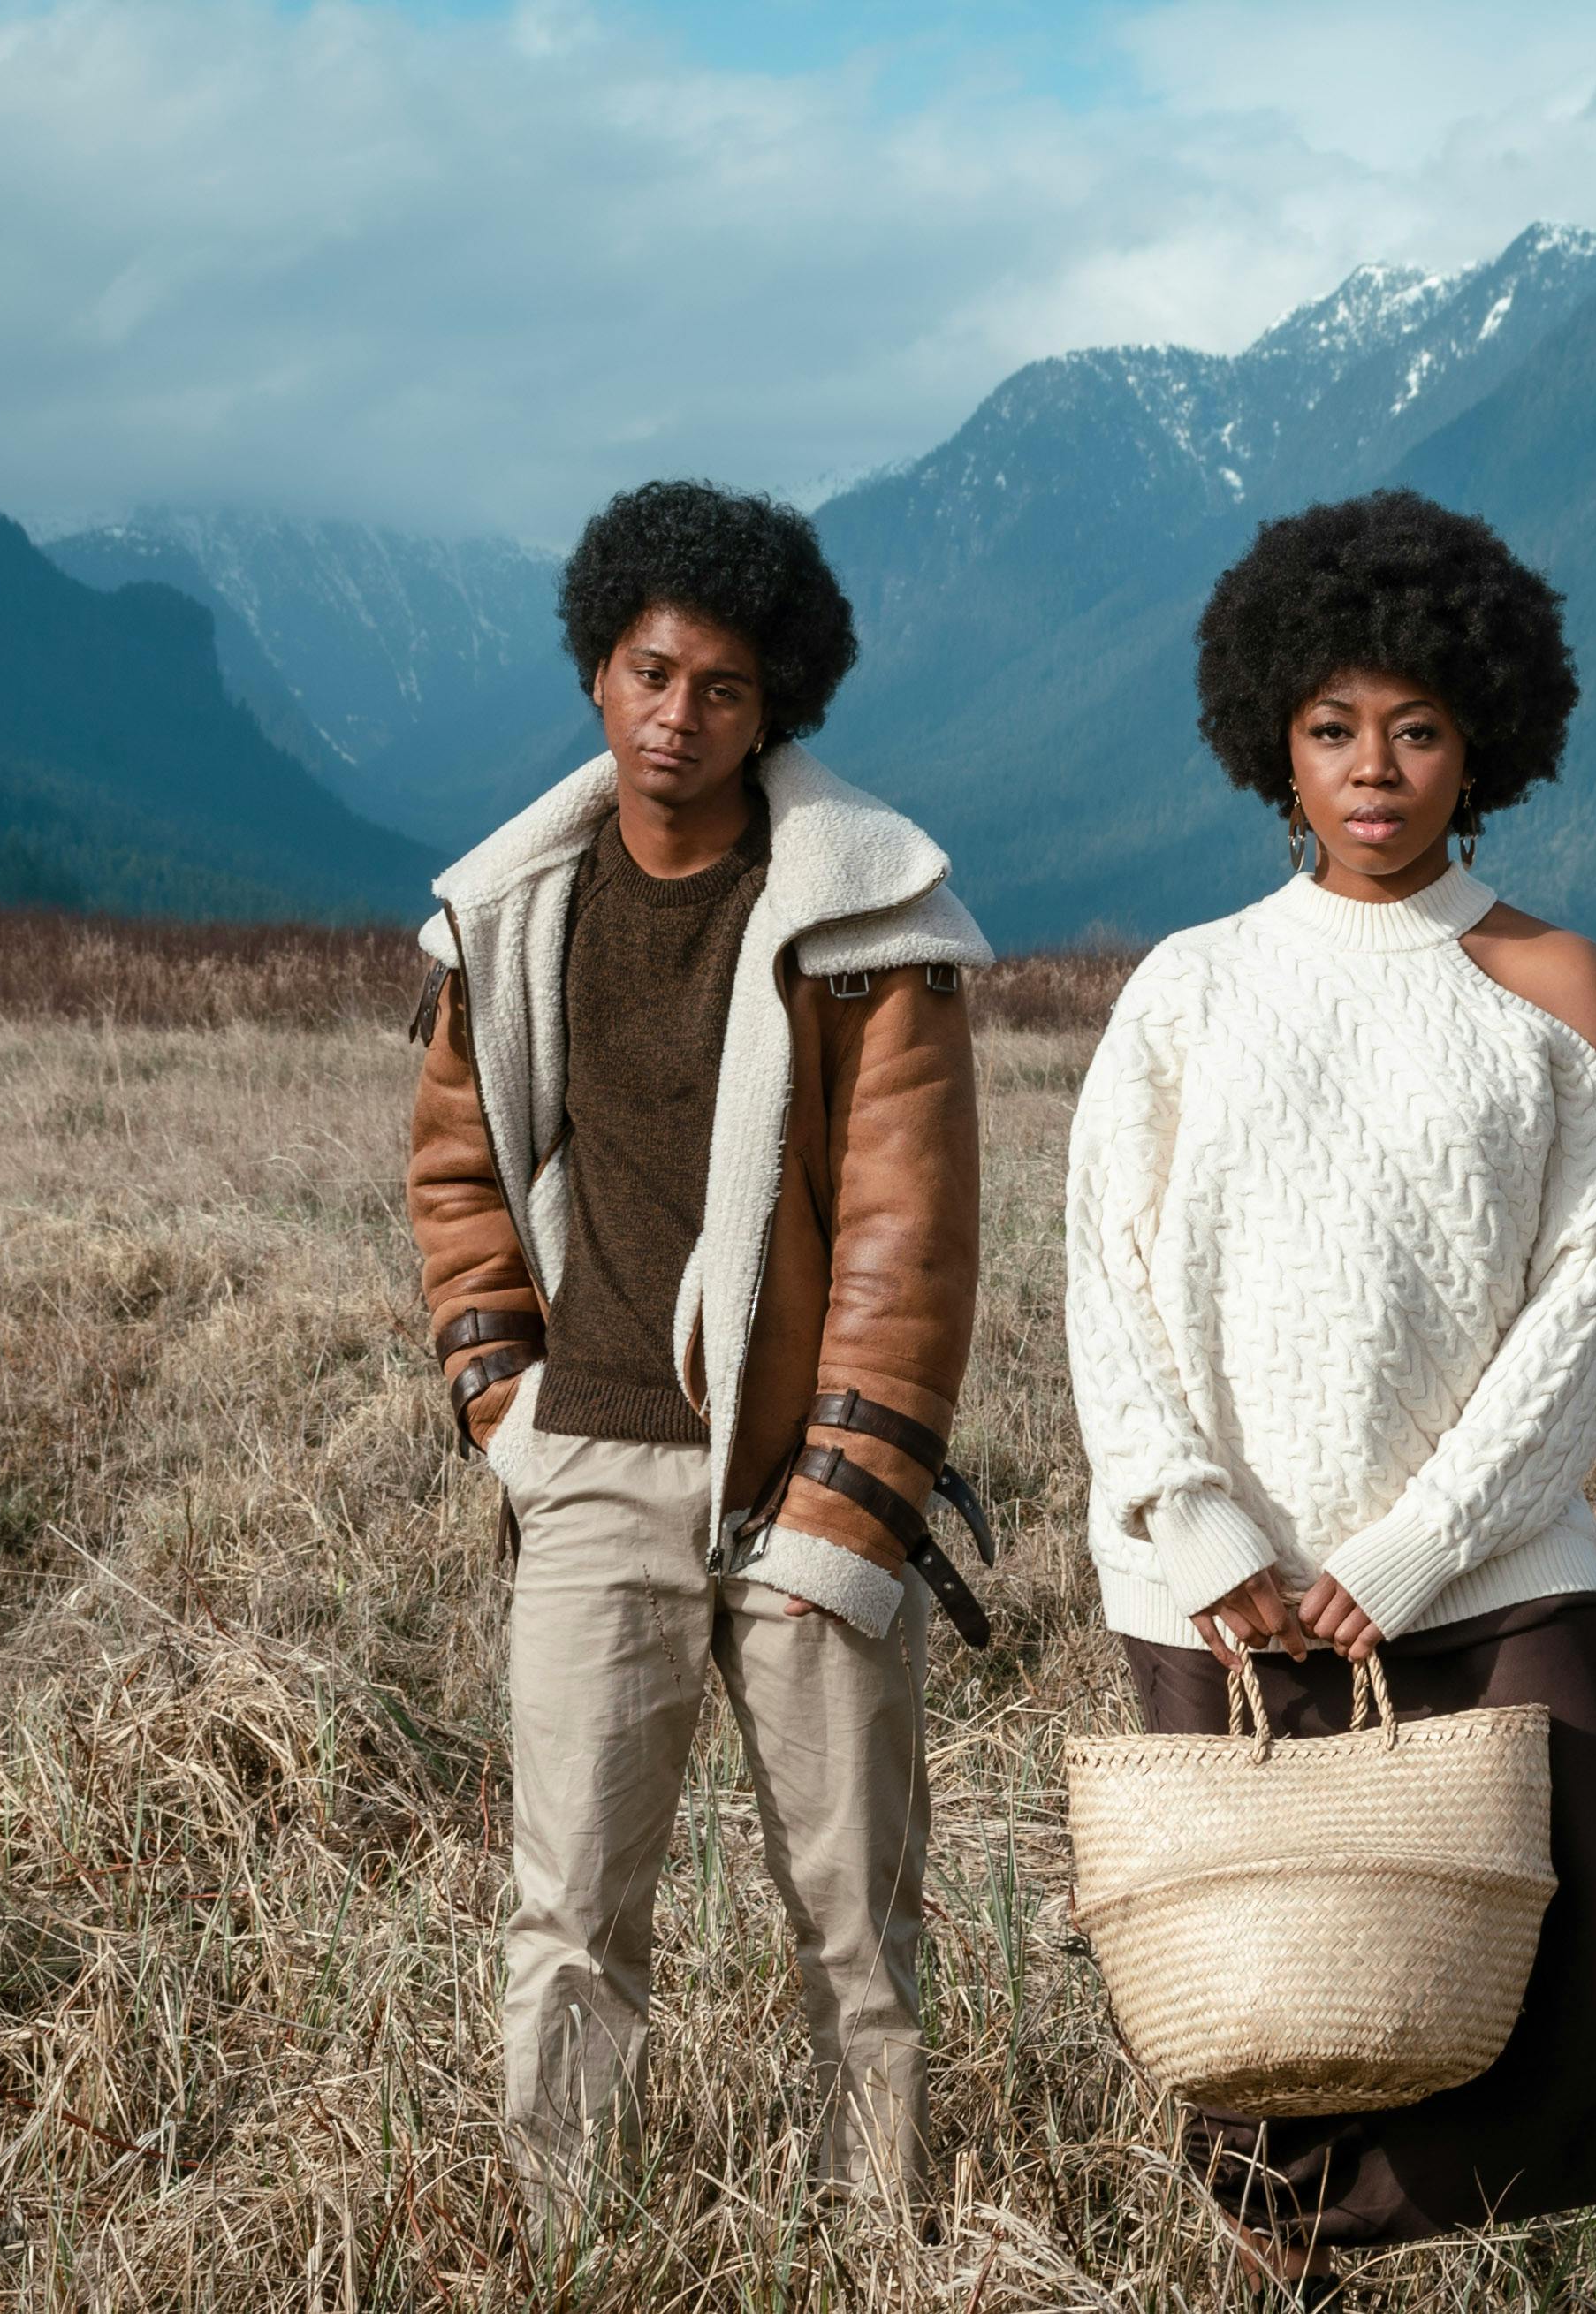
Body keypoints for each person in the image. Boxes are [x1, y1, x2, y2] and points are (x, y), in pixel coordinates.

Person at [1062, 491, 1596, 2308]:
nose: (1373, 770)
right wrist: (1213, 1529)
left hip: (1485, 1558)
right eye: (1333, 730)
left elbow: (1584, 1312)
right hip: (1217, 1575)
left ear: (1483, 743)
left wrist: (1408, 1548)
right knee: (1266, 1976)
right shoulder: (1188, 989)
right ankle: (1297, 2275)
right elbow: (1106, 1278)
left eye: (1415, 729)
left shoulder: (1554, 985)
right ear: (1276, 749)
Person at [404, 478, 988, 2198]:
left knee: (856, 1928)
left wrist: (848, 1501)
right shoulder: (516, 909)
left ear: (771, 705)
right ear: (601, 668)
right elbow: (455, 1168)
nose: (679, 717)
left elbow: (908, 1233)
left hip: (808, 1476)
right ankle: (568, 2235)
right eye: (654, 674)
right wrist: (505, 1400)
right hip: (589, 1459)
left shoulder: (861, 918)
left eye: (722, 688)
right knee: (569, 1908)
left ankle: (876, 2237)